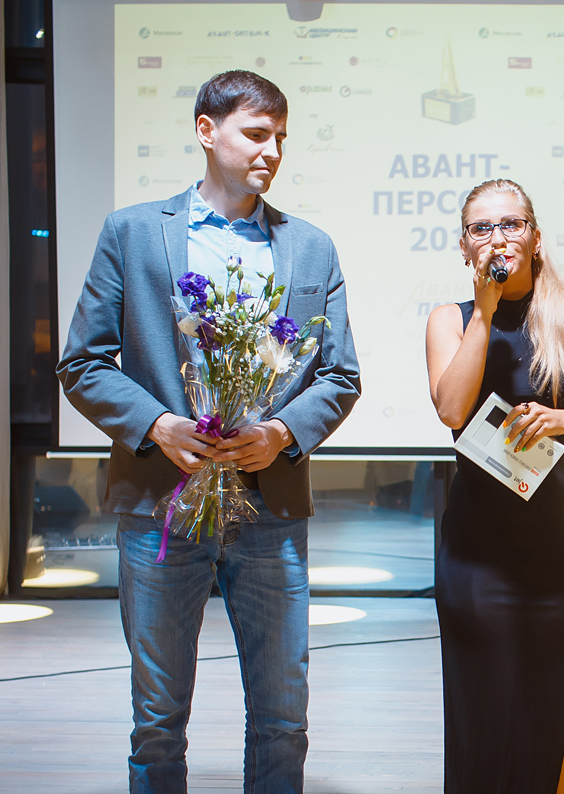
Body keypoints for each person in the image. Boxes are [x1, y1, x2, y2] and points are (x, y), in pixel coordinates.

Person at [57, 70, 361, 793]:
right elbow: (82, 362)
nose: (271, 151)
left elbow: (339, 375)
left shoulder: (311, 246)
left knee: (283, 718)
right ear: (206, 130)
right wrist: (157, 424)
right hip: (161, 504)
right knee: (158, 721)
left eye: (279, 137)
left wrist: (281, 432)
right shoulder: (133, 232)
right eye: (255, 134)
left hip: (269, 506)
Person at [424, 178, 564, 793]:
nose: (498, 237)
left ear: (536, 237)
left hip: (558, 557)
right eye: (482, 228)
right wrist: (485, 311)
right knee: (484, 714)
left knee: (551, 716)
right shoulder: (450, 320)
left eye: (511, 224)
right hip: (476, 557)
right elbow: (451, 409)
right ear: (464, 245)